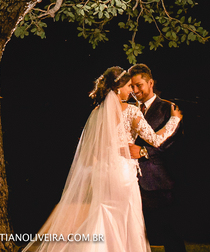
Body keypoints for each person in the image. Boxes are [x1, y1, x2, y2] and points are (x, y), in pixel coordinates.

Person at [23, 66, 182, 251]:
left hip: (102, 173)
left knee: (103, 214)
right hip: (122, 173)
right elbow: (155, 140)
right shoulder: (131, 111)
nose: (132, 91)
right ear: (117, 88)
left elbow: (92, 152)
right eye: (129, 86)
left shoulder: (96, 113)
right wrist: (174, 120)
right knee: (126, 218)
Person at [127, 64, 186, 252]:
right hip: (130, 182)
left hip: (158, 183)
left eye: (139, 85)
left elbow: (173, 143)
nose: (135, 91)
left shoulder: (168, 108)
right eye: (132, 86)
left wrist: (144, 151)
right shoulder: (127, 109)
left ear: (150, 83)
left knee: (171, 235)